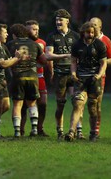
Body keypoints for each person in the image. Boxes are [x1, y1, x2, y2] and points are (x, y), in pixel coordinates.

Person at [64, 21, 107, 142]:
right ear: (83, 32)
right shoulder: (77, 45)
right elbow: (73, 62)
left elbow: (103, 63)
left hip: (94, 79)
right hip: (81, 78)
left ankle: (93, 133)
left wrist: (99, 75)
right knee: (78, 103)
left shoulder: (99, 45)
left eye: (93, 32)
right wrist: (73, 73)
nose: (91, 34)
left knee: (92, 107)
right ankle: (71, 132)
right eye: (88, 32)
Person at [76, 17, 111, 139]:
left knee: (96, 105)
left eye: (94, 25)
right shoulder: (83, 40)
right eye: (90, 24)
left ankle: (95, 131)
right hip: (83, 77)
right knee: (79, 103)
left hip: (98, 78)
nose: (91, 27)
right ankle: (79, 130)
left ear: (100, 27)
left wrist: (100, 63)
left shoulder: (105, 40)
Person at [7, 23, 47, 138]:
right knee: (32, 103)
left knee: (17, 105)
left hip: (18, 78)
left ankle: (17, 132)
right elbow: (44, 61)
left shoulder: (11, 44)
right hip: (32, 77)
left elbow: (7, 60)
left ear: (14, 35)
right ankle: (34, 129)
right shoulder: (35, 44)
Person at [45, 9, 79, 140]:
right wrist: (66, 55)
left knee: (77, 102)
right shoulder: (52, 36)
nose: (58, 22)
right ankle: (60, 131)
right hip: (60, 74)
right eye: (56, 20)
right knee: (60, 104)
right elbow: (48, 56)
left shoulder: (75, 36)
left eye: (60, 20)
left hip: (74, 73)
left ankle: (77, 130)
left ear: (67, 21)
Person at [19, 20, 49, 137]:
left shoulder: (42, 43)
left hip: (39, 77)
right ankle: (21, 130)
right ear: (26, 30)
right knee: (23, 105)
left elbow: (46, 60)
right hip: (25, 77)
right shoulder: (21, 43)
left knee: (43, 103)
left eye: (37, 29)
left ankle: (39, 128)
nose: (36, 32)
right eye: (33, 29)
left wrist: (50, 72)